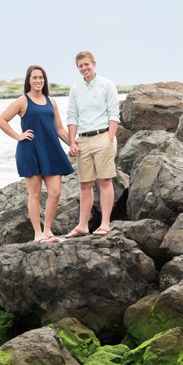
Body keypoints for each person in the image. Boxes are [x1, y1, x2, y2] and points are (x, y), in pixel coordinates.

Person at [0, 65, 75, 243]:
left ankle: (47, 230)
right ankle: (37, 233)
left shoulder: (51, 101)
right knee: (35, 193)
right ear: (29, 80)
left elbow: (59, 129)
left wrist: (73, 144)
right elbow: (1, 120)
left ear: (44, 80)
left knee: (55, 192)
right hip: (30, 150)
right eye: (35, 78)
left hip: (51, 150)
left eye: (41, 77)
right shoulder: (22, 101)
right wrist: (18, 136)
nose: (38, 80)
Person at [65, 50, 120, 237]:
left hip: (102, 136)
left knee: (105, 181)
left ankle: (105, 224)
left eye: (86, 64)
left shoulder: (107, 85)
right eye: (80, 66)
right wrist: (72, 142)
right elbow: (72, 117)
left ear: (94, 64)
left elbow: (114, 114)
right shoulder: (75, 89)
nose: (84, 68)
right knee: (84, 184)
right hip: (83, 140)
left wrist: (109, 139)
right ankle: (82, 225)